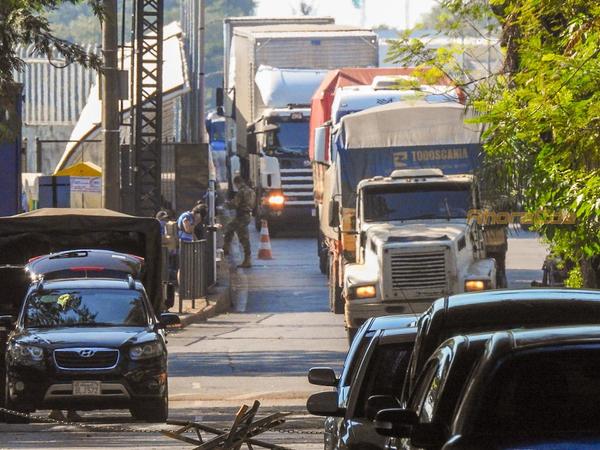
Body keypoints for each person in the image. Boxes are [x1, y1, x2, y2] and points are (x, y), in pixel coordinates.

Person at [223, 176, 255, 268]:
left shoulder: (241, 192)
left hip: (241, 215)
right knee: (230, 228)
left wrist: (226, 204)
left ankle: (247, 260)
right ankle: (226, 248)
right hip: (247, 215)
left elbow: (235, 204)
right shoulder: (251, 191)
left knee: (243, 237)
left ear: (237, 183)